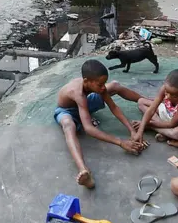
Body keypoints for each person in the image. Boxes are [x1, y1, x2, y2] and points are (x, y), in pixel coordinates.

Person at [54, 60, 147, 189]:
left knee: (114, 85)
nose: (103, 87)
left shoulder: (97, 87)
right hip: (67, 111)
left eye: (103, 83)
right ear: (86, 81)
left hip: (86, 105)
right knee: (68, 125)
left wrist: (132, 130)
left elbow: (113, 107)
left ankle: (147, 101)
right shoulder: (78, 93)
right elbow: (89, 129)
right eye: (100, 84)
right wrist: (120, 142)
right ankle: (83, 170)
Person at [132, 69, 178, 143]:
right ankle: (165, 132)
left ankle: (153, 128)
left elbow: (172, 124)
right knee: (141, 102)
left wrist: (147, 123)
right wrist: (140, 131)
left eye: (174, 96)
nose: (167, 97)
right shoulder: (166, 89)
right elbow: (152, 109)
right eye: (166, 92)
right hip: (169, 112)